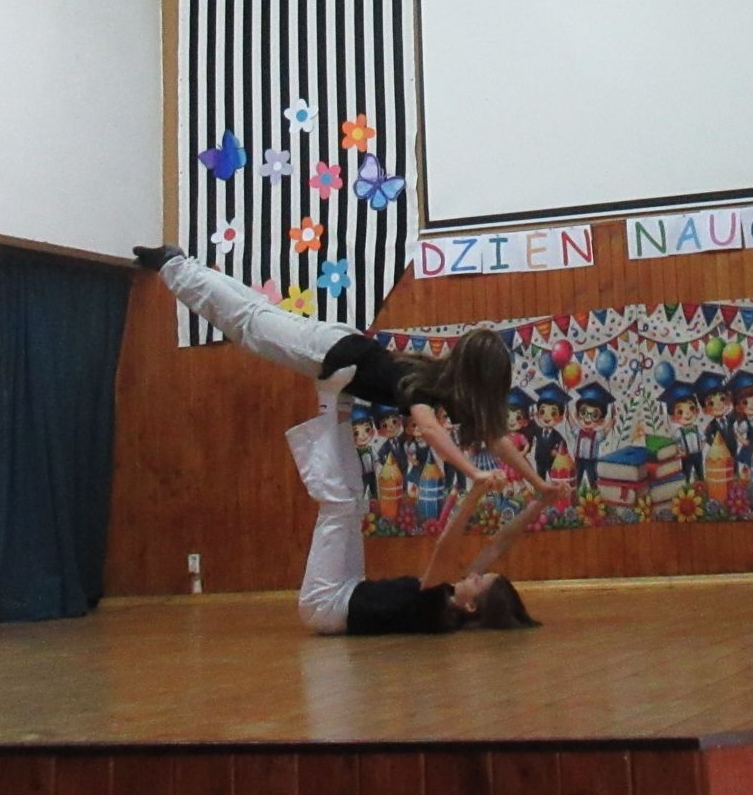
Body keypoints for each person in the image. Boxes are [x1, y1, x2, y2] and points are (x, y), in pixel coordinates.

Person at [135, 246, 569, 496]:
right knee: (248, 323)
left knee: (254, 317)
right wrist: (472, 473)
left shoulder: (445, 387)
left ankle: (183, 264)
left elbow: (496, 437)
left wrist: (539, 484)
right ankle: (174, 264)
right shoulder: (421, 386)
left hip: (339, 347)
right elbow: (430, 430)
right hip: (328, 349)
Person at [286, 387, 548, 635]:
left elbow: (445, 547)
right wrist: (542, 500)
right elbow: (496, 545)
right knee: (355, 502)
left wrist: (475, 493)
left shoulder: (436, 610)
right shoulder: (448, 594)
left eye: (478, 581)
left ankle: (326, 401)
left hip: (327, 604)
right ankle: (341, 405)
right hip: (349, 589)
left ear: (470, 606)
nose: (474, 574)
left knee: (339, 506)